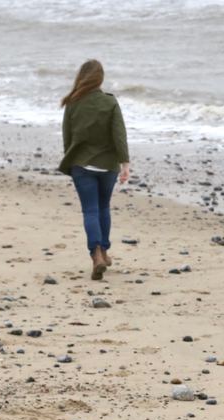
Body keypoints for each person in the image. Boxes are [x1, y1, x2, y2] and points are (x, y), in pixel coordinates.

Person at [58, 59, 130, 280]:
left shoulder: (72, 103)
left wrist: (71, 161)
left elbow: (67, 137)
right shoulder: (110, 103)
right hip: (107, 166)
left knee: (90, 210)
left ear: (81, 77)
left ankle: (96, 254)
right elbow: (119, 135)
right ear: (100, 78)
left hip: (81, 165)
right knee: (103, 208)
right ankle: (104, 250)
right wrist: (125, 163)